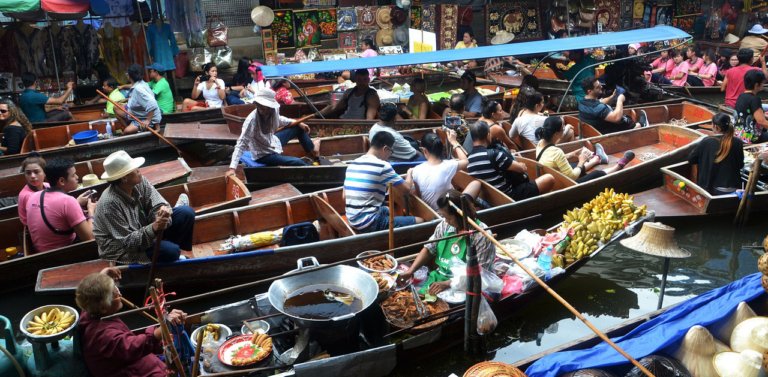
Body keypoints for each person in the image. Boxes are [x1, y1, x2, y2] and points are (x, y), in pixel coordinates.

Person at [76, 268, 187, 377]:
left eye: (115, 288)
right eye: (114, 293)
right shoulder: (105, 337)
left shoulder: (89, 310)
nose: (119, 294)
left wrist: (103, 277)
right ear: (104, 307)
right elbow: (132, 346)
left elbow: (93, 294)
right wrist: (162, 329)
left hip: (132, 361)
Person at [94, 150, 195, 264]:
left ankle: (171, 253)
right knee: (170, 251)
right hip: (122, 251)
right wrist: (155, 227)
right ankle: (169, 254)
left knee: (186, 213)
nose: (139, 170)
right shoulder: (110, 203)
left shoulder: (140, 182)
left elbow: (157, 203)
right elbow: (128, 243)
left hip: (144, 230)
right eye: (135, 169)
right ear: (124, 178)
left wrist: (161, 212)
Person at [397, 190, 494, 295]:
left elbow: (479, 274)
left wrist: (448, 283)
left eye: (448, 218)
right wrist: (411, 271)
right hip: (440, 276)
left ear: (460, 215)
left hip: (468, 285)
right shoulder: (445, 225)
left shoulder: (481, 235)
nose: (445, 221)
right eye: (444, 217)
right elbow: (429, 248)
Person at [343, 131, 423, 233]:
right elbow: (406, 189)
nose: (389, 156)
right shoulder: (382, 166)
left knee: (387, 209)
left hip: (352, 218)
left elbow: (344, 196)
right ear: (385, 149)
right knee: (421, 221)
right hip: (368, 222)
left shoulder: (352, 164)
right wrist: (409, 173)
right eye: (391, 152)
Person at [227, 88, 315, 170]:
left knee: (298, 128)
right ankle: (313, 170)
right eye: (258, 104)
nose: (260, 107)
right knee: (298, 162)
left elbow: (280, 119)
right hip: (263, 154)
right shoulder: (251, 121)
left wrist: (298, 122)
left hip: (273, 142)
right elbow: (241, 144)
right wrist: (232, 168)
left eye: (263, 105)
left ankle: (312, 154)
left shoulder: (274, 110)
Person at [467, 121, 555, 201]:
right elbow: (522, 169)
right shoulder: (494, 154)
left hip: (492, 199)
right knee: (549, 178)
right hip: (509, 197)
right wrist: (516, 159)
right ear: (488, 135)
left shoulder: (469, 160)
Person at [26, 158, 96, 253]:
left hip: (39, 253)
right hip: (62, 255)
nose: (77, 177)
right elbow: (89, 239)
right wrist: (91, 210)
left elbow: (55, 209)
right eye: (73, 175)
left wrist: (76, 202)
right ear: (62, 181)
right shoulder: (68, 201)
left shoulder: (33, 196)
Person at [535, 117, 635, 183]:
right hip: (563, 184)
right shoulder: (556, 152)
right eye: (563, 128)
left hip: (553, 175)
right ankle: (619, 166)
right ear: (556, 133)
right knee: (596, 174)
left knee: (573, 166)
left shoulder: (541, 143)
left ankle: (596, 159)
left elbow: (551, 160)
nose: (565, 129)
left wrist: (572, 154)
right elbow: (572, 177)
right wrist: (581, 161)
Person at [409, 131, 479, 211]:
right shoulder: (448, 165)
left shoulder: (416, 170)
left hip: (432, 213)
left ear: (424, 150)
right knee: (476, 183)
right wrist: (454, 142)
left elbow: (419, 195)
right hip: (449, 211)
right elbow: (466, 161)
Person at [688, 113, 744, 195]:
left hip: (711, 190)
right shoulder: (738, 142)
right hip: (733, 188)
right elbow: (740, 165)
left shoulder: (707, 141)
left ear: (716, 127)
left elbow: (691, 159)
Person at [578, 77, 647, 135]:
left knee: (626, 118)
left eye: (600, 85)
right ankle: (641, 125)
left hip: (597, 130)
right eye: (598, 87)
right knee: (628, 122)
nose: (601, 87)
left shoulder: (583, 102)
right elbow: (616, 118)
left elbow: (601, 102)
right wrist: (620, 100)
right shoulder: (597, 108)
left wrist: (612, 97)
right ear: (589, 91)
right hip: (610, 132)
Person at [115, 64, 161, 135]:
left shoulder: (138, 89)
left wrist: (148, 120)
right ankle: (130, 126)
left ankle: (132, 129)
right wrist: (127, 100)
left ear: (129, 76)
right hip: (136, 113)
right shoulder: (140, 83)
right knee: (116, 108)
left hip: (144, 117)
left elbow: (152, 103)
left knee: (127, 132)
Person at [734, 69, 768, 144]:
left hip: (738, 134)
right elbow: (761, 121)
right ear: (756, 85)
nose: (763, 85)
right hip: (750, 137)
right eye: (762, 83)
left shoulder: (741, 96)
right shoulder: (755, 99)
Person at [18, 155, 47, 225]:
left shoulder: (48, 186)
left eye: (36, 172)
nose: (32, 176)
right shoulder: (26, 195)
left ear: (45, 173)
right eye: (28, 173)